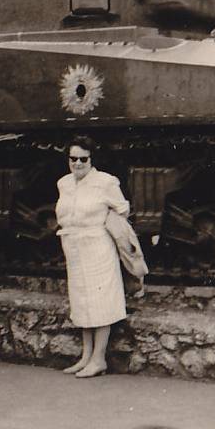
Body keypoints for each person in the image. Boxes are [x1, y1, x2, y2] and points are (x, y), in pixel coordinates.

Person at [56, 135, 130, 378]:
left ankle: (99, 359)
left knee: (100, 301)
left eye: (83, 159)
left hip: (98, 247)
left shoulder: (105, 182)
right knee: (82, 301)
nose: (77, 163)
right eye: (73, 158)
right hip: (74, 248)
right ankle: (85, 356)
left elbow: (122, 208)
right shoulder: (64, 183)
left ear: (92, 159)